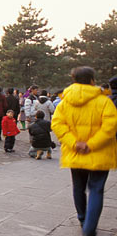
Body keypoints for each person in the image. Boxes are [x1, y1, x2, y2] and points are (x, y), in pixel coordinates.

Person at [51, 67, 117, 236]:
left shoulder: (65, 101)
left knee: (78, 187)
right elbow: (110, 127)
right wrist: (91, 144)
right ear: (92, 80)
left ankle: (82, 218)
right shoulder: (104, 101)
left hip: (76, 153)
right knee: (96, 189)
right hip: (99, 152)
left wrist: (75, 143)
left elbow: (57, 125)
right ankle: (89, 227)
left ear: (73, 80)